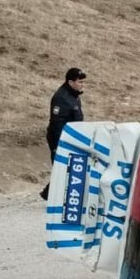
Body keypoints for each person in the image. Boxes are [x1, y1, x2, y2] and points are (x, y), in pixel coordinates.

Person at [41, 67, 86, 200]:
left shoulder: (74, 96)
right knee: (61, 169)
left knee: (67, 168)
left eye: (84, 82)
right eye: (80, 82)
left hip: (72, 139)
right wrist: (58, 145)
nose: (82, 85)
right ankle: (52, 195)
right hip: (60, 139)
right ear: (70, 82)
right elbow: (56, 124)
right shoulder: (61, 98)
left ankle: (51, 194)